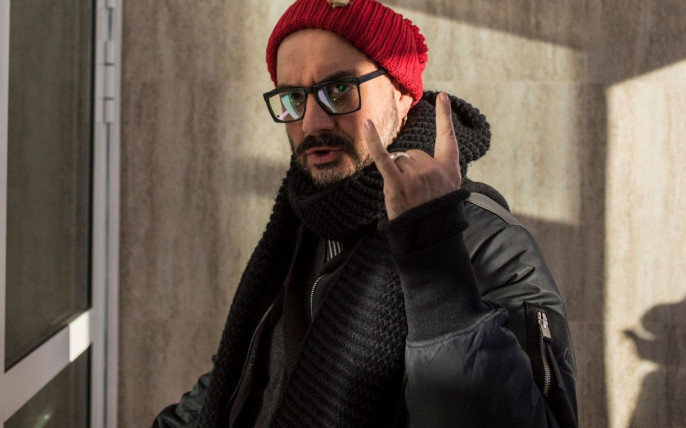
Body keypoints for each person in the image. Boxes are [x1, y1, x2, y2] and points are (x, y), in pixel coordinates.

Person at [153, 0, 578, 426]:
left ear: (402, 93)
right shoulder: (300, 227)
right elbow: (242, 382)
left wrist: (432, 248)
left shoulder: (483, 239)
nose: (312, 123)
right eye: (293, 98)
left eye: (339, 90)